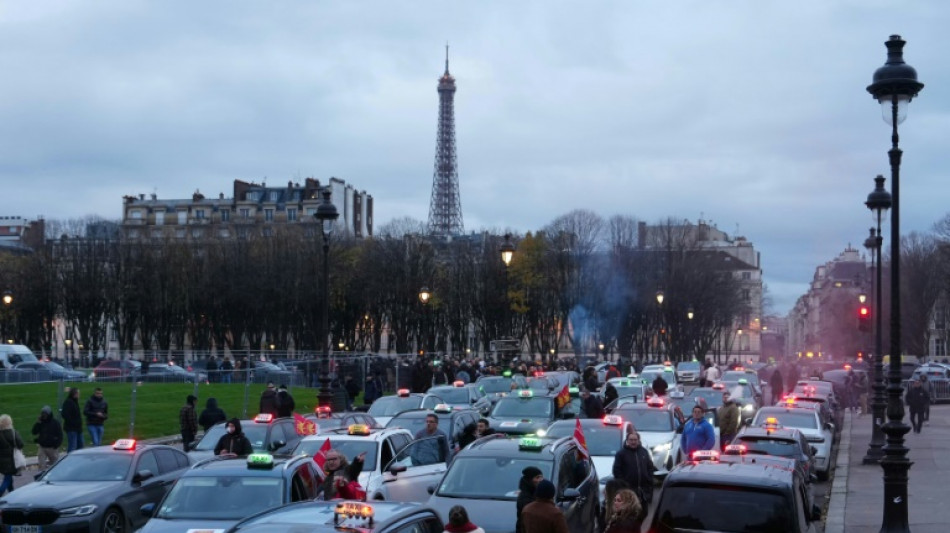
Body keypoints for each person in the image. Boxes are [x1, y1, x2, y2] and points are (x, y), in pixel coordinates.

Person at [612, 430, 656, 512]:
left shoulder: (644, 452)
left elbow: (650, 467)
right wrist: (624, 485)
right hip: (629, 491)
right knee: (630, 515)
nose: (633, 442)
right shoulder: (621, 454)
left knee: (644, 513)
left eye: (635, 440)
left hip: (643, 491)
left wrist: (649, 479)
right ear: (627, 441)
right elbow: (617, 471)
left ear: (638, 441)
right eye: (631, 440)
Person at [32, 406, 63, 470]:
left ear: (49, 414)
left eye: (45, 414)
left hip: (52, 448)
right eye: (42, 414)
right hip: (42, 447)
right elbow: (34, 432)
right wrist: (38, 423)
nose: (43, 415)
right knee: (41, 464)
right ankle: (41, 476)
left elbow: (60, 435)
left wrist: (56, 445)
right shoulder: (41, 422)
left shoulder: (55, 423)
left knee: (54, 465)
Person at [0, 415, 25, 497]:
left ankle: (12, 494)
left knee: (9, 477)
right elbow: (21, 444)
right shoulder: (13, 433)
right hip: (12, 459)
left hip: (1, 460)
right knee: (7, 479)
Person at [516, 466, 544, 533]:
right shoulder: (525, 498)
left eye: (541, 477)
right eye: (537, 477)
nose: (540, 480)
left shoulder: (536, 493)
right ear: (529, 480)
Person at [61, 387, 84, 452]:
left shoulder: (75, 402)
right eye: (78, 393)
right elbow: (64, 414)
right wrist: (73, 422)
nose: (79, 395)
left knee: (80, 444)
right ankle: (70, 459)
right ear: (75, 394)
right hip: (71, 429)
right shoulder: (68, 402)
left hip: (78, 428)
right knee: (73, 446)